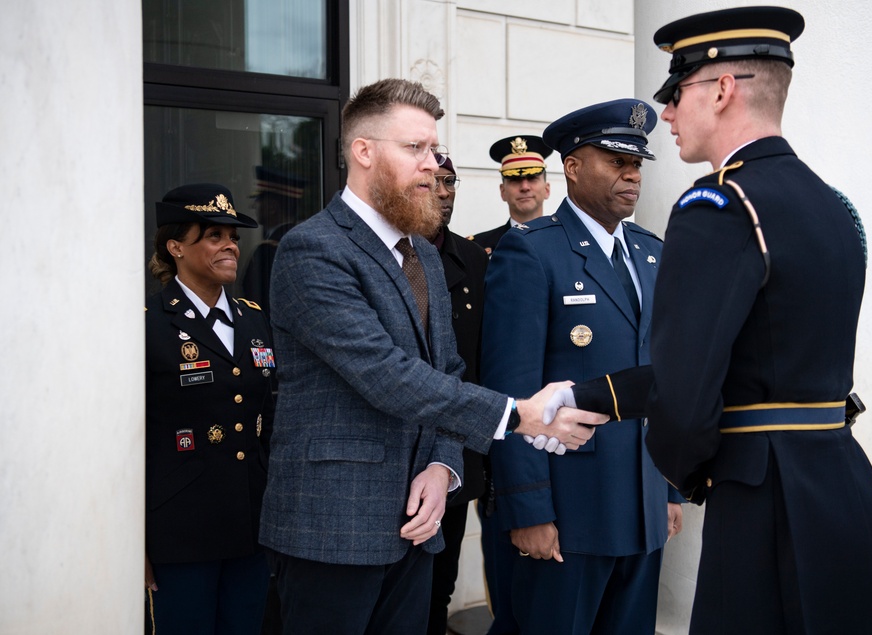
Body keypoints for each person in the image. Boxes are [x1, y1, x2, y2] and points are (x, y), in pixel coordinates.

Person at [546, 6, 872, 634]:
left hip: (765, 499)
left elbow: (689, 389)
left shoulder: (718, 204)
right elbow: (757, 358)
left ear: (720, 90)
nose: (664, 112)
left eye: (674, 92)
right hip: (839, 483)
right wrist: (584, 395)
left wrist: (689, 472)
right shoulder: (831, 203)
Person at [256, 78, 607, 635]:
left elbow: (446, 369)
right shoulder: (313, 249)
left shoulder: (421, 249)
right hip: (333, 526)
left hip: (419, 522)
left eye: (433, 148)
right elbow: (387, 376)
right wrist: (518, 414)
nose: (431, 163)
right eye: (414, 148)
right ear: (364, 152)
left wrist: (443, 467)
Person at [479, 99, 685, 635]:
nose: (631, 174)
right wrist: (528, 510)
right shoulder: (531, 253)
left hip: (641, 506)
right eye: (616, 161)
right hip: (569, 512)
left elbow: (661, 379)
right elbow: (510, 391)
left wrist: (666, 489)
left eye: (637, 164)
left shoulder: (651, 254)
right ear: (572, 167)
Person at [144, 182, 276, 635]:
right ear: (176, 246)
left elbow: (269, 421)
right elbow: (128, 440)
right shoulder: (147, 323)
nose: (231, 247)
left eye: (234, 237)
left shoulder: (255, 317)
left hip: (250, 526)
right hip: (179, 533)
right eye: (215, 236)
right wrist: (135, 540)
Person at [420, 157, 491, 634]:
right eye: (432, 183)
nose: (444, 192)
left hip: (456, 446)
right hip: (394, 445)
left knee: (440, 580)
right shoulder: (383, 255)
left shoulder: (474, 258)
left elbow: (484, 360)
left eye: (450, 182)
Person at [470, 135, 552, 255]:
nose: (524, 187)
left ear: (547, 189)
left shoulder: (570, 241)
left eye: (532, 178)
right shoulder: (478, 247)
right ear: (503, 191)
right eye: (515, 179)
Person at [241, 166, 304, 316]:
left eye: (258, 200)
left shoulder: (269, 250)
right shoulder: (301, 241)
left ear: (272, 208)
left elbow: (256, 299)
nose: (253, 206)